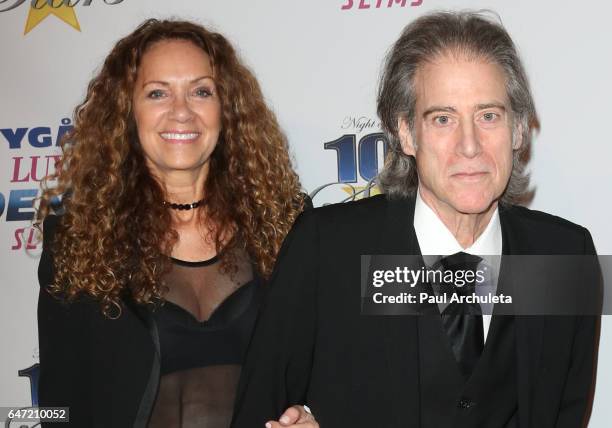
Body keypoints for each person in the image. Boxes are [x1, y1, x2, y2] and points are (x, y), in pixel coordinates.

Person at [232, 11, 600, 428]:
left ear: (518, 130)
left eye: (489, 116)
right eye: (443, 119)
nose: (469, 146)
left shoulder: (563, 257)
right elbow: (259, 412)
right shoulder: (328, 250)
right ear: (405, 133)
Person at [36, 19, 317, 428]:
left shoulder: (287, 223)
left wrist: (312, 414)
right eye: (157, 93)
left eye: (201, 91)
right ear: (126, 112)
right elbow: (56, 407)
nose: (181, 112)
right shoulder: (75, 241)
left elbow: (331, 359)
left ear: (228, 109)